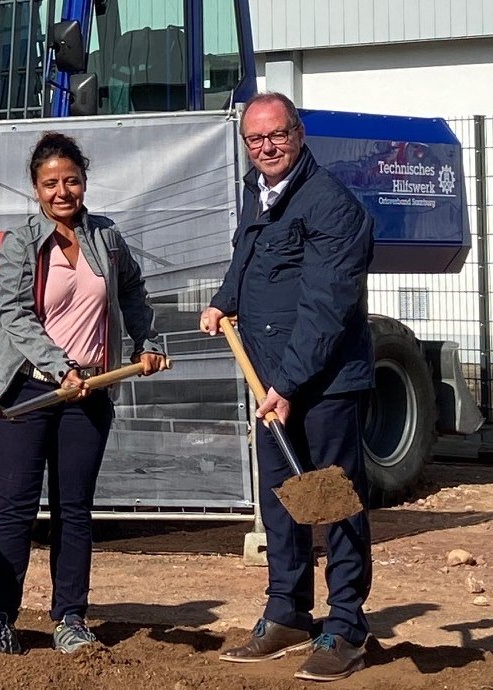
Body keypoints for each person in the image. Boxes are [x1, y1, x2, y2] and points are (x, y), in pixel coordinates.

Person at [0, 131, 166, 655]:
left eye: (71, 180)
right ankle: (0, 620)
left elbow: (132, 294)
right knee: (14, 509)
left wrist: (148, 341)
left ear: (84, 183)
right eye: (50, 183)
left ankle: (70, 619)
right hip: (27, 391)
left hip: (90, 393)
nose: (62, 191)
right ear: (35, 189)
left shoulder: (107, 236)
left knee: (74, 510)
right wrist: (59, 368)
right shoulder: (20, 242)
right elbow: (14, 315)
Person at [201, 92, 374, 682]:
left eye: (276, 135)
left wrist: (289, 384)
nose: (266, 148)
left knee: (334, 503)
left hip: (321, 384)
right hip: (272, 380)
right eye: (255, 140)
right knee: (282, 505)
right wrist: (224, 301)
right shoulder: (260, 194)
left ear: (298, 134)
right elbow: (246, 259)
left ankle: (347, 625)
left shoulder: (331, 206)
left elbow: (326, 306)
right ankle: (287, 614)